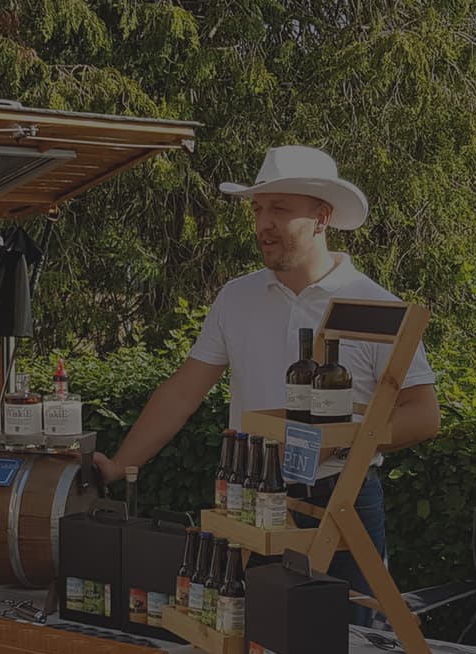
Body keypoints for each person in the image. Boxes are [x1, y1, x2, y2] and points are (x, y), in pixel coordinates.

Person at [93, 145, 439, 618]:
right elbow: (182, 392)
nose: (263, 224)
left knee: (353, 653)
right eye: (258, 209)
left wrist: (335, 445)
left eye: (279, 208)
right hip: (249, 498)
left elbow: (423, 415)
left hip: (342, 500)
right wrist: (119, 465)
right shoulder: (236, 297)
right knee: (253, 647)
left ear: (321, 218)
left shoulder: (374, 304)